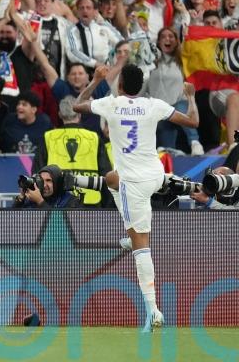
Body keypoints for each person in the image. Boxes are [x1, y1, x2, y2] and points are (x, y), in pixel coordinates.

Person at [73, 64, 199, 332]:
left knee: (142, 248)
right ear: (140, 86)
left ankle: (153, 310)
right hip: (155, 174)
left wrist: (95, 80)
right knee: (110, 179)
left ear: (120, 86)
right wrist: (191, 96)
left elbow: (77, 106)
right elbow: (193, 122)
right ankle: (133, 237)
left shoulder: (112, 103)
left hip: (135, 185)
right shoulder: (153, 104)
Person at [33, 96, 112, 206]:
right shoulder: (94, 137)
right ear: (79, 115)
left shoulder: (48, 137)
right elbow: (106, 174)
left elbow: (37, 173)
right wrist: (107, 204)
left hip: (59, 202)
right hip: (90, 201)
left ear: (60, 114)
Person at [12, 164, 82, 208]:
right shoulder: (33, 199)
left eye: (49, 180)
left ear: (57, 182)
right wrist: (21, 198)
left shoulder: (71, 201)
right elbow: (11, 221)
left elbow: (59, 226)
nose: (44, 185)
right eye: (41, 180)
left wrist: (40, 202)